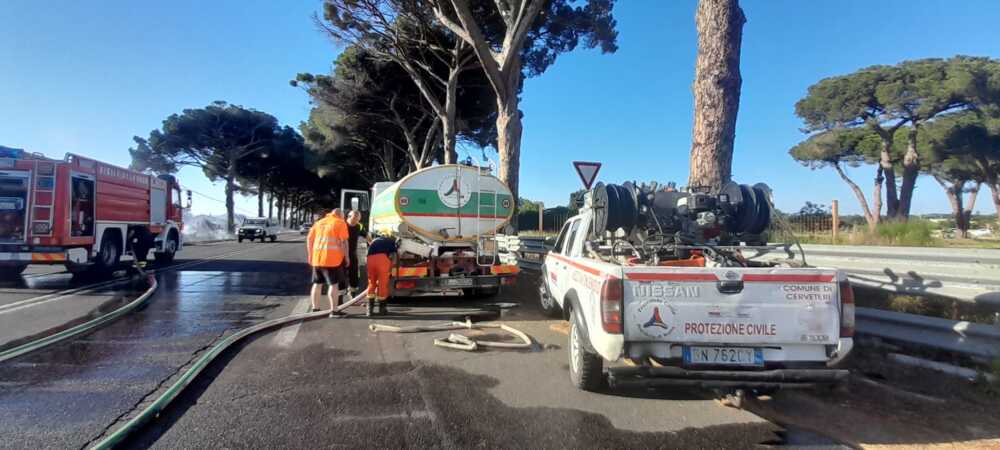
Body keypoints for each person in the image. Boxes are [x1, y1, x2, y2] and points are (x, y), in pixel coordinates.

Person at [306, 208, 350, 318]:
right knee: (334, 285)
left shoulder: (319, 222)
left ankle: (315, 309)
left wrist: (310, 255)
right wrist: (347, 257)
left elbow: (309, 239)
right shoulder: (340, 222)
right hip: (332, 260)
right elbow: (344, 242)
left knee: (317, 284)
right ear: (340, 215)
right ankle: (334, 311)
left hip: (317, 259)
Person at [365, 234, 397, 317]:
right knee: (382, 284)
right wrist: (392, 267)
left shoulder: (374, 241)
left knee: (371, 283)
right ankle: (382, 309)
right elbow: (394, 255)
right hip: (382, 260)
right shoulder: (391, 241)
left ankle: (369, 311)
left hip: (370, 260)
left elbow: (367, 253)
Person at [345, 210, 364, 296]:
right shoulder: (342, 225)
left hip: (352, 254)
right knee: (341, 274)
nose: (356, 221)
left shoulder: (359, 226)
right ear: (349, 217)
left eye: (358, 219)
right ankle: (339, 296)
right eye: (354, 219)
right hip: (341, 254)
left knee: (354, 274)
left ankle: (352, 291)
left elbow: (366, 235)